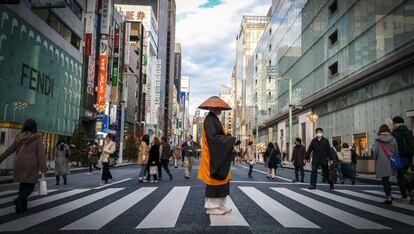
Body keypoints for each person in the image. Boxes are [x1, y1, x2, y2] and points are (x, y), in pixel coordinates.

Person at [197, 96, 236, 215]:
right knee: (214, 180)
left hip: (217, 155)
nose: (220, 110)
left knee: (222, 180)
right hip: (212, 156)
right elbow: (214, 138)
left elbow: (218, 136)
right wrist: (229, 140)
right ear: (214, 108)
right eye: (219, 108)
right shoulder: (210, 119)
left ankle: (220, 204)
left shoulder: (213, 119)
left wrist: (228, 138)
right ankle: (212, 207)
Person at [0, 119, 47, 214]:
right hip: (31, 164)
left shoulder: (19, 137)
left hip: (19, 163)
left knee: (23, 183)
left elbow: (9, 150)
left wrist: (1, 158)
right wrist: (43, 168)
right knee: (30, 185)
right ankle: (20, 199)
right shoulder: (37, 138)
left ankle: (22, 207)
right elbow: (40, 154)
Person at [372, 124, 398, 204]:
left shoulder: (377, 139)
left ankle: (388, 197)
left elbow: (375, 151)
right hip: (392, 160)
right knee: (388, 179)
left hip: (382, 161)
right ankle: (390, 195)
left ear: (380, 131)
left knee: (385, 180)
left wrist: (375, 158)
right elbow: (396, 150)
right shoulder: (393, 138)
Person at [391, 116, 414, 203]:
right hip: (408, 157)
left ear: (395, 123)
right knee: (403, 175)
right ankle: (411, 191)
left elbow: (393, 147)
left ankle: (405, 196)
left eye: (393, 123)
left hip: (397, 157)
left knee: (399, 177)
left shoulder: (395, 133)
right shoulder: (409, 132)